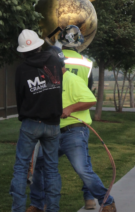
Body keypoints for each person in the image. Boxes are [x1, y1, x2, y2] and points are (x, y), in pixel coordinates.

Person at [27, 50, 117, 212]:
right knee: (38, 164)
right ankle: (38, 204)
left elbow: (90, 100)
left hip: (74, 132)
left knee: (82, 168)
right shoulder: (49, 82)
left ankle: (107, 201)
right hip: (52, 132)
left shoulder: (72, 79)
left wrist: (69, 109)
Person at [10, 30, 64, 212]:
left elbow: (20, 96)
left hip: (31, 122)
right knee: (51, 169)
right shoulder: (55, 61)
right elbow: (59, 88)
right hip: (53, 124)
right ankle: (53, 209)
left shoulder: (22, 69)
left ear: (23, 51)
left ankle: (18, 208)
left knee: (21, 168)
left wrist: (23, 114)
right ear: (39, 45)